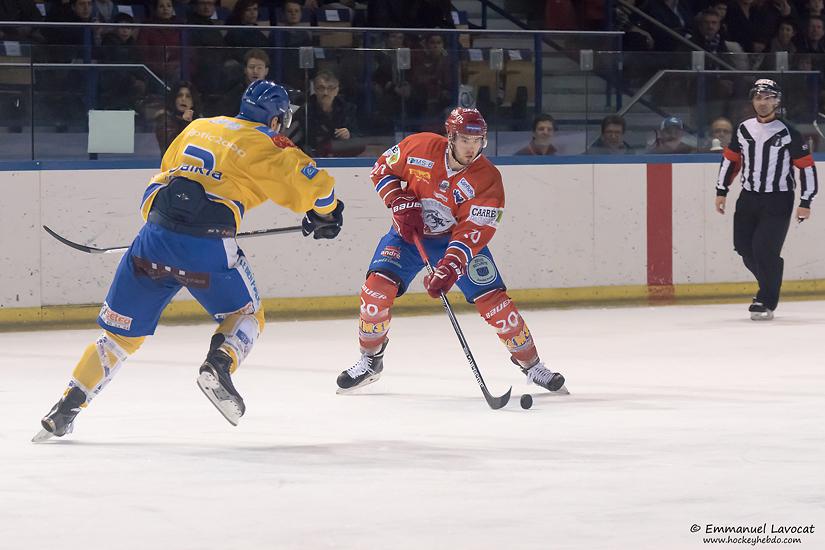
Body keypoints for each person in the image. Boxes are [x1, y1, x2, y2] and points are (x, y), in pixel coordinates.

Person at [34, 80, 345, 440]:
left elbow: (165, 179)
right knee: (246, 316)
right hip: (206, 248)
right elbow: (320, 187)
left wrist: (168, 234)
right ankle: (219, 364)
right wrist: (325, 215)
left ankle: (66, 407)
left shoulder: (200, 126)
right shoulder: (268, 142)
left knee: (118, 338)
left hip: (152, 240)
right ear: (276, 119)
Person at [335, 108, 566, 396]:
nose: (471, 148)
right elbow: (382, 168)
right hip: (408, 236)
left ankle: (532, 365)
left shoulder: (487, 178)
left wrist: (451, 266)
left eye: (477, 141)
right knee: (375, 292)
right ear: (451, 137)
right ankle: (370, 361)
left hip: (455, 242)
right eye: (465, 140)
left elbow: (474, 229)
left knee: (496, 304)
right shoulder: (420, 146)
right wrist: (398, 200)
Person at [715, 79, 818, 320]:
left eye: (768, 98)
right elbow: (731, 160)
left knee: (764, 250)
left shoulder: (789, 132)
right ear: (752, 100)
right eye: (758, 97)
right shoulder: (743, 128)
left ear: (777, 101)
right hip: (748, 198)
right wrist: (721, 190)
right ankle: (771, 278)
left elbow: (806, 167)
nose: (763, 102)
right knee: (743, 247)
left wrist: (806, 201)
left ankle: (766, 299)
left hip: (778, 200)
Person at [296, 70, 363, 157]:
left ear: (337, 91)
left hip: (341, 155)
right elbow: (297, 141)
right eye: (321, 88)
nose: (325, 93)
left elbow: (360, 137)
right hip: (313, 156)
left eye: (330, 88)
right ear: (315, 89)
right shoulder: (304, 111)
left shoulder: (348, 109)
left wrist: (349, 135)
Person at [154, 81, 202, 152]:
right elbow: (171, 145)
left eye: (188, 96)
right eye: (180, 95)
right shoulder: (164, 118)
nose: (183, 99)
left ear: (192, 102)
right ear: (174, 99)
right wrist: (185, 122)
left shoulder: (199, 121)